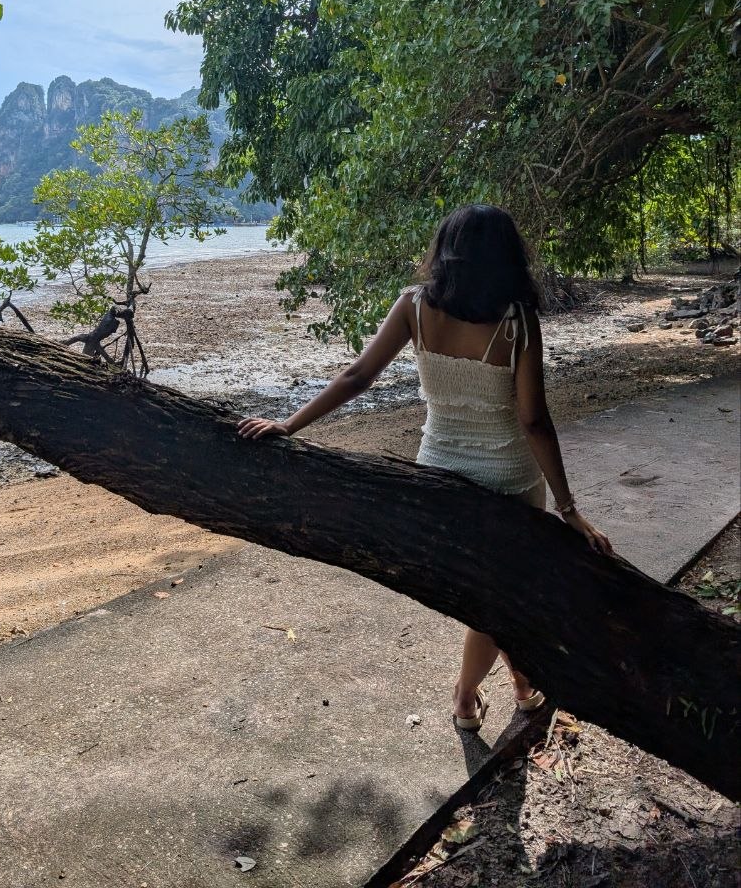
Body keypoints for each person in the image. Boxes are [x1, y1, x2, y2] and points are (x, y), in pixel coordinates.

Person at [238, 204, 612, 732]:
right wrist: (570, 509)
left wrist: (289, 423)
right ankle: (465, 696)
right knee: (498, 596)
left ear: (447, 251)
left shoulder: (413, 306)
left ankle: (522, 682)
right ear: (508, 257)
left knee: (492, 589)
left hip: (437, 471)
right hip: (509, 477)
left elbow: (356, 376)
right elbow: (534, 421)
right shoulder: (516, 320)